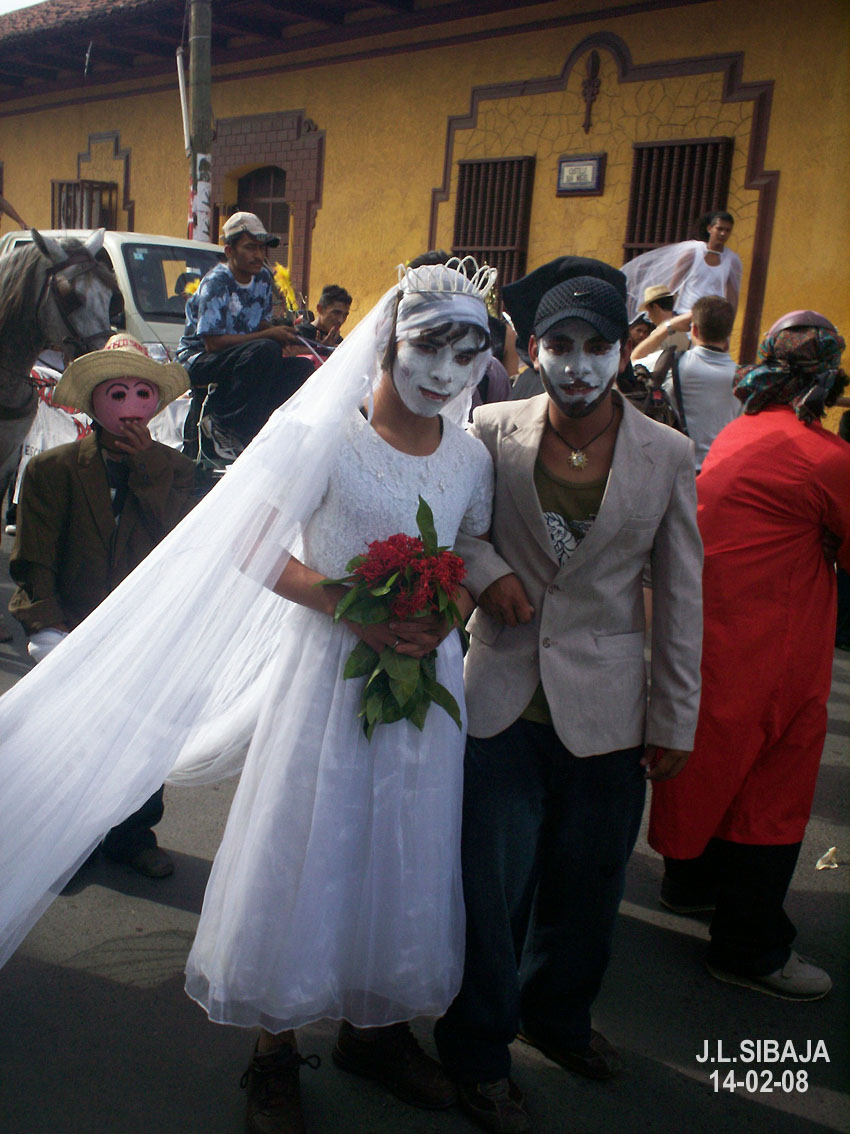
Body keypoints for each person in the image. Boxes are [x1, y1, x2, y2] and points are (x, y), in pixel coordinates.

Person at [0, 259, 497, 1134]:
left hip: (425, 684)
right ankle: (274, 1052)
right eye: (431, 346)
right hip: (329, 677)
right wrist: (358, 610)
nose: (447, 372)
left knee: (404, 845)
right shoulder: (324, 439)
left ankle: (375, 1033)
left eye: (469, 352)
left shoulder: (469, 453)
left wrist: (443, 612)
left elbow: (469, 541)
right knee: (311, 844)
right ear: (390, 342)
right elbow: (255, 544)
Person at [434, 275, 703, 1133]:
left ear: (624, 349)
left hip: (611, 710)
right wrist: (490, 574)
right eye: (560, 347)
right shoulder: (487, 430)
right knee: (490, 891)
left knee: (587, 890)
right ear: (536, 351)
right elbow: (460, 527)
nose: (578, 367)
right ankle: (477, 1051)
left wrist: (674, 717)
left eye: (595, 348)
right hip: (502, 698)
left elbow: (682, 591)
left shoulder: (667, 452)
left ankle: (559, 1020)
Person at [649, 310, 850, 1001]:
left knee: (711, 768)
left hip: (711, 637)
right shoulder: (824, 457)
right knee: (771, 791)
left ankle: (689, 882)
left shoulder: (742, 433)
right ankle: (751, 946)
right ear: (827, 381)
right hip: (775, 652)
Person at [8, 333, 196, 877]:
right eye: (117, 394)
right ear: (93, 403)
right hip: (74, 626)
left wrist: (148, 472)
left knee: (143, 738)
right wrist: (45, 626)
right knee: (72, 738)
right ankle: (67, 837)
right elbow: (34, 556)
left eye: (142, 394)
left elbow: (182, 541)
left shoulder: (176, 472)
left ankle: (134, 833)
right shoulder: (52, 470)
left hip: (147, 633)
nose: (130, 408)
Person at [176, 211, 310, 464]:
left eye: (261, 249)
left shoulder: (262, 278)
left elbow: (255, 322)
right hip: (199, 359)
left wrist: (284, 333)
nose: (258, 256)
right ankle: (222, 425)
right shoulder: (217, 283)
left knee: (301, 367)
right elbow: (212, 343)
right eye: (250, 248)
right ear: (229, 251)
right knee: (265, 349)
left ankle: (265, 428)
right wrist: (268, 335)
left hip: (239, 354)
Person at [661, 295, 739, 471]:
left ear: (694, 330)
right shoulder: (742, 377)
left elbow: (633, 360)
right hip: (720, 472)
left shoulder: (674, 363)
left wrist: (669, 326)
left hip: (678, 469)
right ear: (728, 335)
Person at [622, 210, 743, 320]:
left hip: (712, 320)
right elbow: (673, 287)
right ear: (710, 228)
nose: (723, 234)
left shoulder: (732, 260)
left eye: (727, 230)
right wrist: (668, 318)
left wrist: (728, 328)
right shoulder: (693, 253)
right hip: (685, 315)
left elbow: (732, 298)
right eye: (719, 228)